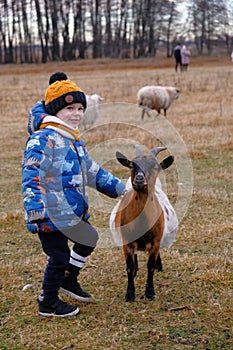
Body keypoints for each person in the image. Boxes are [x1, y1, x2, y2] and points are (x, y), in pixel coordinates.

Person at [22, 72, 126, 317]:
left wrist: (119, 188)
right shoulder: (43, 139)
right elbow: (31, 176)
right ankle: (47, 301)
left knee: (89, 237)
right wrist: (36, 211)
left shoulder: (74, 139)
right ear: (54, 111)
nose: (77, 113)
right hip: (50, 214)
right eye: (70, 108)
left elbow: (90, 170)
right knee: (58, 257)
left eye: (80, 108)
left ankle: (69, 278)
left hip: (72, 212)